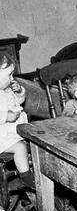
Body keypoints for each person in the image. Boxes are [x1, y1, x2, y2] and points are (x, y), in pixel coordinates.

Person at [0, 52, 34, 189]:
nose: (12, 78)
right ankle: (25, 176)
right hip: (2, 138)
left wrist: (19, 92)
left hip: (13, 132)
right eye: (9, 75)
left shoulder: (6, 89)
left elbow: (19, 102)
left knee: (36, 140)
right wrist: (5, 116)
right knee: (20, 147)